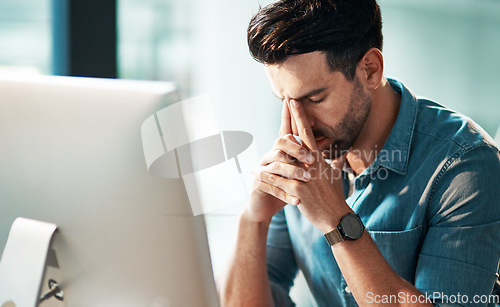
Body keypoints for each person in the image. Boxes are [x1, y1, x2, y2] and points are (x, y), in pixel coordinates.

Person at [217, 0, 500, 306]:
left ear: (370, 70)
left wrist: (337, 221)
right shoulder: (302, 158)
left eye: (315, 97)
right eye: (285, 100)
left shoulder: (465, 167)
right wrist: (253, 219)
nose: (301, 126)